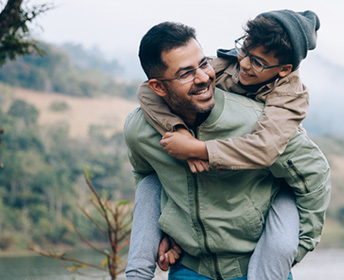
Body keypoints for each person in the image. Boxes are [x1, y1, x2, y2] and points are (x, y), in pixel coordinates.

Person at [124, 20, 330, 280]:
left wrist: (292, 250)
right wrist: (164, 228)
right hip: (189, 268)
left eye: (202, 64)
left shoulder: (264, 116)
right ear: (159, 86)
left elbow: (312, 172)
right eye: (186, 73)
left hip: (256, 267)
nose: (203, 77)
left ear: (284, 69)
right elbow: (147, 175)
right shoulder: (139, 128)